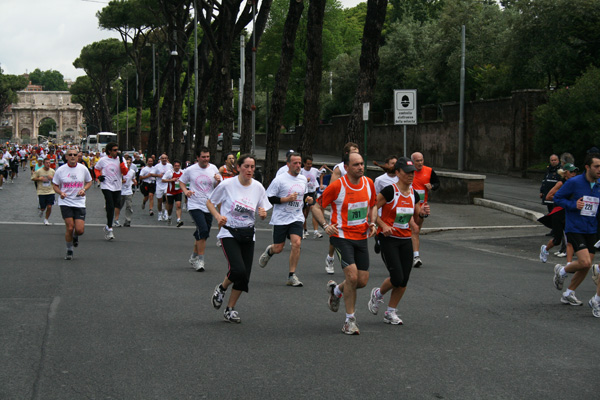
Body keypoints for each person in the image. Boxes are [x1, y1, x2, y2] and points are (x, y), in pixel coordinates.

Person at [312, 152, 378, 335]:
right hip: (341, 236)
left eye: (362, 164)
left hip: (361, 237)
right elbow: (316, 207)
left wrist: (372, 222)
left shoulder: (369, 184)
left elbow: (373, 205)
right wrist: (325, 225)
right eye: (356, 165)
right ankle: (350, 321)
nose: (361, 167)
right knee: (352, 276)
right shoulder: (337, 186)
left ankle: (337, 291)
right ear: (346, 168)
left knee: (362, 281)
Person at [208, 154, 271, 323]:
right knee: (238, 269)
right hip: (229, 232)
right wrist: (218, 216)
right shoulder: (227, 185)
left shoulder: (258, 187)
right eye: (246, 166)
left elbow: (263, 209)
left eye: (252, 167)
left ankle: (230, 309)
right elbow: (210, 202)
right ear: (239, 167)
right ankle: (221, 288)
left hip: (248, 233)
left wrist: (263, 213)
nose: (250, 170)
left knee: (244, 278)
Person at [367, 157, 425, 325]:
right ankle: (377, 294)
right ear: (398, 173)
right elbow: (373, 207)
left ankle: (390, 312)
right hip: (388, 239)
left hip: (406, 238)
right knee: (397, 276)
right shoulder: (389, 191)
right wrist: (382, 225)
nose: (411, 175)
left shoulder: (414, 193)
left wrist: (422, 215)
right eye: (407, 172)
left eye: (413, 172)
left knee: (404, 280)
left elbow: (416, 213)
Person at [553, 153, 600, 308]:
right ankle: (562, 271)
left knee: (586, 265)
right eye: (596, 166)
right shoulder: (574, 182)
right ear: (587, 167)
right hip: (575, 227)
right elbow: (558, 198)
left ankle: (568, 293)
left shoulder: (599, 185)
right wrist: (574, 205)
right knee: (585, 261)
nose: (599, 170)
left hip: (591, 228)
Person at [258, 152, 311, 287]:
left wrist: (309, 199)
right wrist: (285, 199)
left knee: (296, 243)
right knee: (278, 248)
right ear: (288, 164)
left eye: (300, 163)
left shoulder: (303, 179)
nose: (298, 166)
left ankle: (291, 276)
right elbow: (269, 197)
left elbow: (305, 197)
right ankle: (270, 251)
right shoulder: (280, 179)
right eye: (295, 163)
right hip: (281, 218)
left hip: (296, 217)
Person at [179, 147, 222, 271]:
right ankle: (200, 260)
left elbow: (218, 186)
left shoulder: (214, 168)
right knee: (203, 230)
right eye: (203, 157)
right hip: (194, 204)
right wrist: (186, 191)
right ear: (198, 157)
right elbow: (181, 181)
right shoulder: (191, 170)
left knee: (202, 234)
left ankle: (193, 256)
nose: (206, 159)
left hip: (209, 205)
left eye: (208, 157)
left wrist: (218, 181)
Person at [324, 142, 360, 274]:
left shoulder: (359, 166)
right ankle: (330, 258)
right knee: (335, 234)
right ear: (347, 154)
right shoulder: (339, 169)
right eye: (353, 152)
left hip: (355, 204)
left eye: (357, 152)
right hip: (341, 205)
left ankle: (352, 260)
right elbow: (332, 187)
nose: (356, 155)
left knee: (354, 232)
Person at [52, 149, 93, 260]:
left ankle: (75, 236)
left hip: (79, 201)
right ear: (66, 157)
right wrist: (60, 192)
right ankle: (69, 250)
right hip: (66, 201)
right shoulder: (60, 170)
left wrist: (84, 189)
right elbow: (55, 185)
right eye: (70, 155)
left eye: (75, 155)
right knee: (70, 227)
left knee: (79, 230)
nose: (73, 157)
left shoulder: (83, 169)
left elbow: (89, 181)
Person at [539, 164, 578, 263]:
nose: (573, 174)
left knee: (570, 239)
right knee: (557, 240)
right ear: (565, 173)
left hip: (569, 213)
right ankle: (545, 249)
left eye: (575, 172)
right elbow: (548, 196)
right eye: (571, 172)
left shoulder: (575, 184)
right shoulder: (560, 183)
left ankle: (568, 264)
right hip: (558, 213)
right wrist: (562, 199)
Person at [94, 142, 129, 241]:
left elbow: (125, 172)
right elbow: (96, 169)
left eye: (117, 150)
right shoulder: (103, 160)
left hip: (117, 186)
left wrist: (121, 160)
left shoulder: (121, 160)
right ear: (109, 151)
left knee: (115, 205)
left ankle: (108, 225)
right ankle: (110, 228)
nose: (116, 152)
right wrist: (98, 176)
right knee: (109, 205)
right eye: (114, 150)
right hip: (106, 185)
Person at [409, 152, 437, 268]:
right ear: (412, 162)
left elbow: (437, 183)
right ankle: (415, 256)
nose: (420, 163)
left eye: (421, 160)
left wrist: (432, 186)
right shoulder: (408, 172)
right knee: (413, 230)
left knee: (416, 230)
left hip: (421, 207)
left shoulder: (429, 171)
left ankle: (413, 254)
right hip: (407, 206)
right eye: (417, 161)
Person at [373, 155, 399, 253]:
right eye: (392, 163)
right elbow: (376, 195)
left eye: (396, 164)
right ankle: (379, 239)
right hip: (383, 208)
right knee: (383, 225)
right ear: (387, 165)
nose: (394, 166)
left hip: (397, 207)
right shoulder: (380, 179)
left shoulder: (400, 178)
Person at [300, 155, 324, 239]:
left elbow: (321, 173)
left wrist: (320, 183)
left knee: (314, 210)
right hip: (304, 193)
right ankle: (304, 230)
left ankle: (316, 231)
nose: (310, 165)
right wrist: (305, 181)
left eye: (311, 164)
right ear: (304, 164)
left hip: (312, 193)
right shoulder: (301, 171)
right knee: (304, 213)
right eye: (308, 164)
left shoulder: (314, 170)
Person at [31, 158, 56, 225]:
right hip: (41, 191)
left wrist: (52, 178)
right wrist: (39, 178)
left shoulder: (52, 171)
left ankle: (46, 219)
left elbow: (57, 180)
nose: (48, 164)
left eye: (49, 163)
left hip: (50, 191)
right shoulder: (39, 171)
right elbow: (32, 178)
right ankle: (42, 210)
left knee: (49, 206)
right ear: (44, 164)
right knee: (43, 207)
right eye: (47, 163)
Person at [114, 156, 136, 227]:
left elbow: (133, 178)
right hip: (120, 191)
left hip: (129, 191)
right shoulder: (120, 171)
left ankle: (128, 220)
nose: (128, 164)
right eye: (127, 163)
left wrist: (134, 181)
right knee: (119, 206)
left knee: (129, 206)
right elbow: (115, 180)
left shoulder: (132, 171)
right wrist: (121, 181)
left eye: (129, 163)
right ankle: (116, 219)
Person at [162, 160, 184, 227]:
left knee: (178, 205)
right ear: (173, 166)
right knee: (170, 207)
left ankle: (178, 220)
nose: (177, 167)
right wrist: (171, 180)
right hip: (170, 192)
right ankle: (169, 217)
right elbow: (163, 179)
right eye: (175, 166)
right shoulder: (170, 172)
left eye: (178, 166)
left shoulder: (182, 172)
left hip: (178, 191)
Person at [152, 153, 173, 222]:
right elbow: (152, 173)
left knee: (167, 199)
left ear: (167, 159)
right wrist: (158, 175)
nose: (164, 159)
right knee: (159, 201)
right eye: (163, 158)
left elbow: (173, 173)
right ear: (160, 159)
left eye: (165, 158)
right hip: (159, 184)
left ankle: (166, 213)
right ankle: (160, 213)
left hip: (167, 184)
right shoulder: (157, 166)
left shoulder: (170, 166)